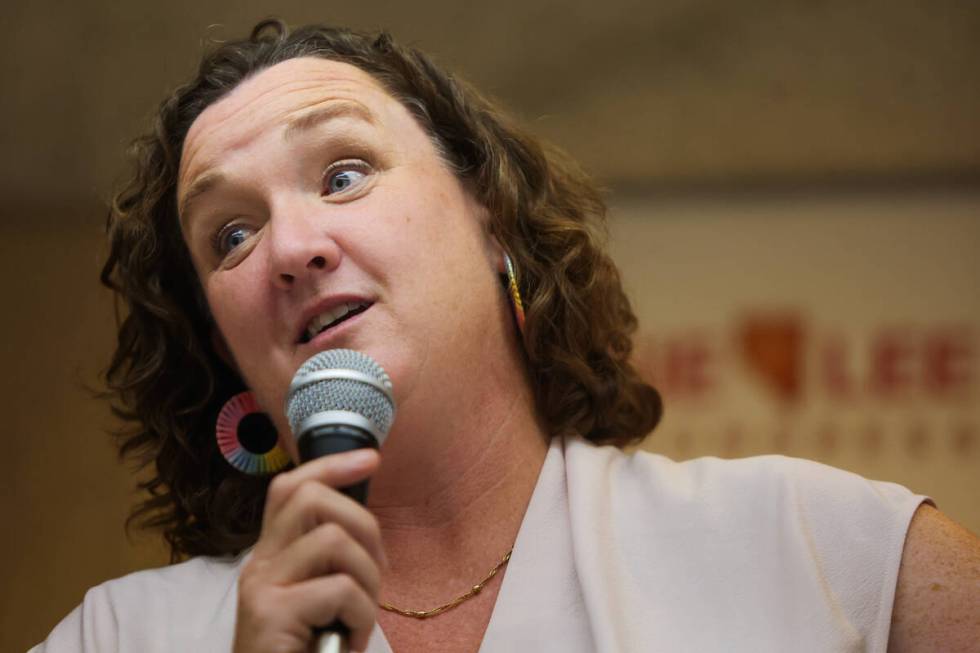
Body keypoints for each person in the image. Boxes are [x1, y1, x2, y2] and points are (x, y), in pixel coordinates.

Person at [32, 18, 979, 653]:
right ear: (222, 343)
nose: (291, 246)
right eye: (229, 234)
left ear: (491, 218)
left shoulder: (816, 545)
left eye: (345, 173)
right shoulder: (120, 633)